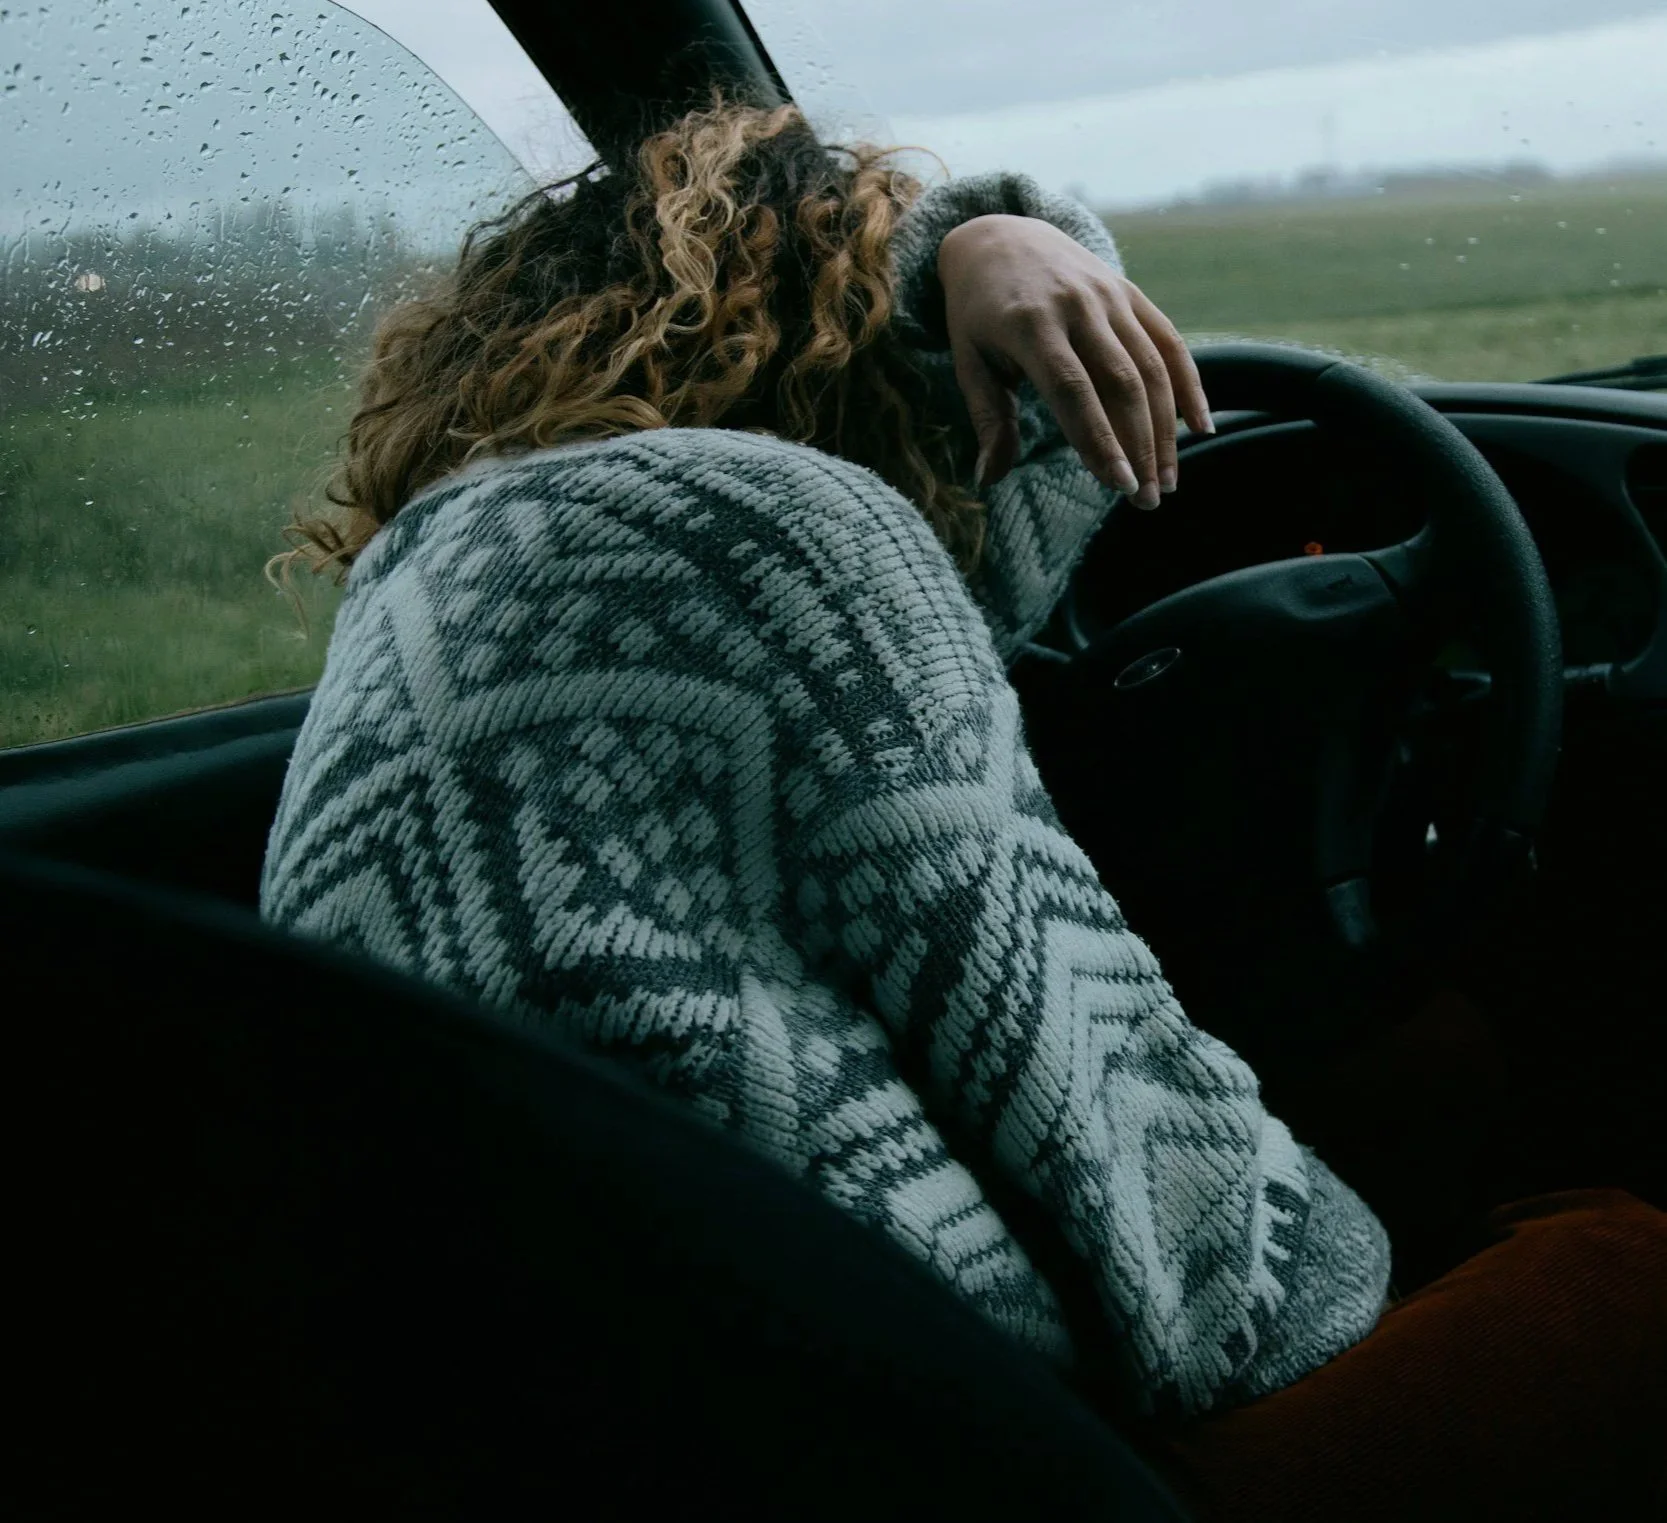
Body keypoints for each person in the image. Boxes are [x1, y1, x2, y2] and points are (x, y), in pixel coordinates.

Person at [260, 91, 1665, 1517]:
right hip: (905, 1446)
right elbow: (1135, 1181)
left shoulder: (428, 575)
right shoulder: (789, 535)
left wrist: (976, 238)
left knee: (1424, 1077)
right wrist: (1356, 1273)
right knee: (1620, 1253)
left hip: (546, 1401)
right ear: (861, 345)